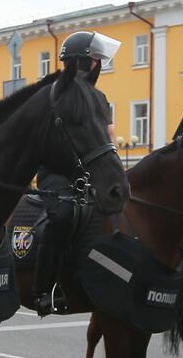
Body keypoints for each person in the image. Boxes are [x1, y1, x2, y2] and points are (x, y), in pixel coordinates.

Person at [32, 31, 118, 316]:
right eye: (96, 59)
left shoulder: (100, 96)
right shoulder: (56, 90)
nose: (100, 65)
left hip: (92, 171)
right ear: (81, 61)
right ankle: (44, 288)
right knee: (65, 215)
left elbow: (108, 136)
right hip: (58, 173)